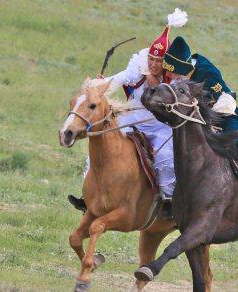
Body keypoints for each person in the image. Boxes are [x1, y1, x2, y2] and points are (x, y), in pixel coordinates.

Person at [68, 9, 189, 218]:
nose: (153, 64)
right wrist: (99, 86)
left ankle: (168, 201)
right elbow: (119, 79)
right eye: (151, 58)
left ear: (166, 62)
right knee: (100, 146)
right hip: (131, 120)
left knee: (166, 158)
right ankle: (89, 196)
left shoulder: (173, 79)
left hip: (160, 126)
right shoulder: (138, 69)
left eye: (158, 61)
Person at [161, 36, 238, 214]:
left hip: (224, 115)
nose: (168, 76)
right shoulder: (181, 72)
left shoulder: (207, 72)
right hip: (196, 118)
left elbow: (225, 100)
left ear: (182, 69)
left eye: (172, 73)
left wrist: (210, 121)